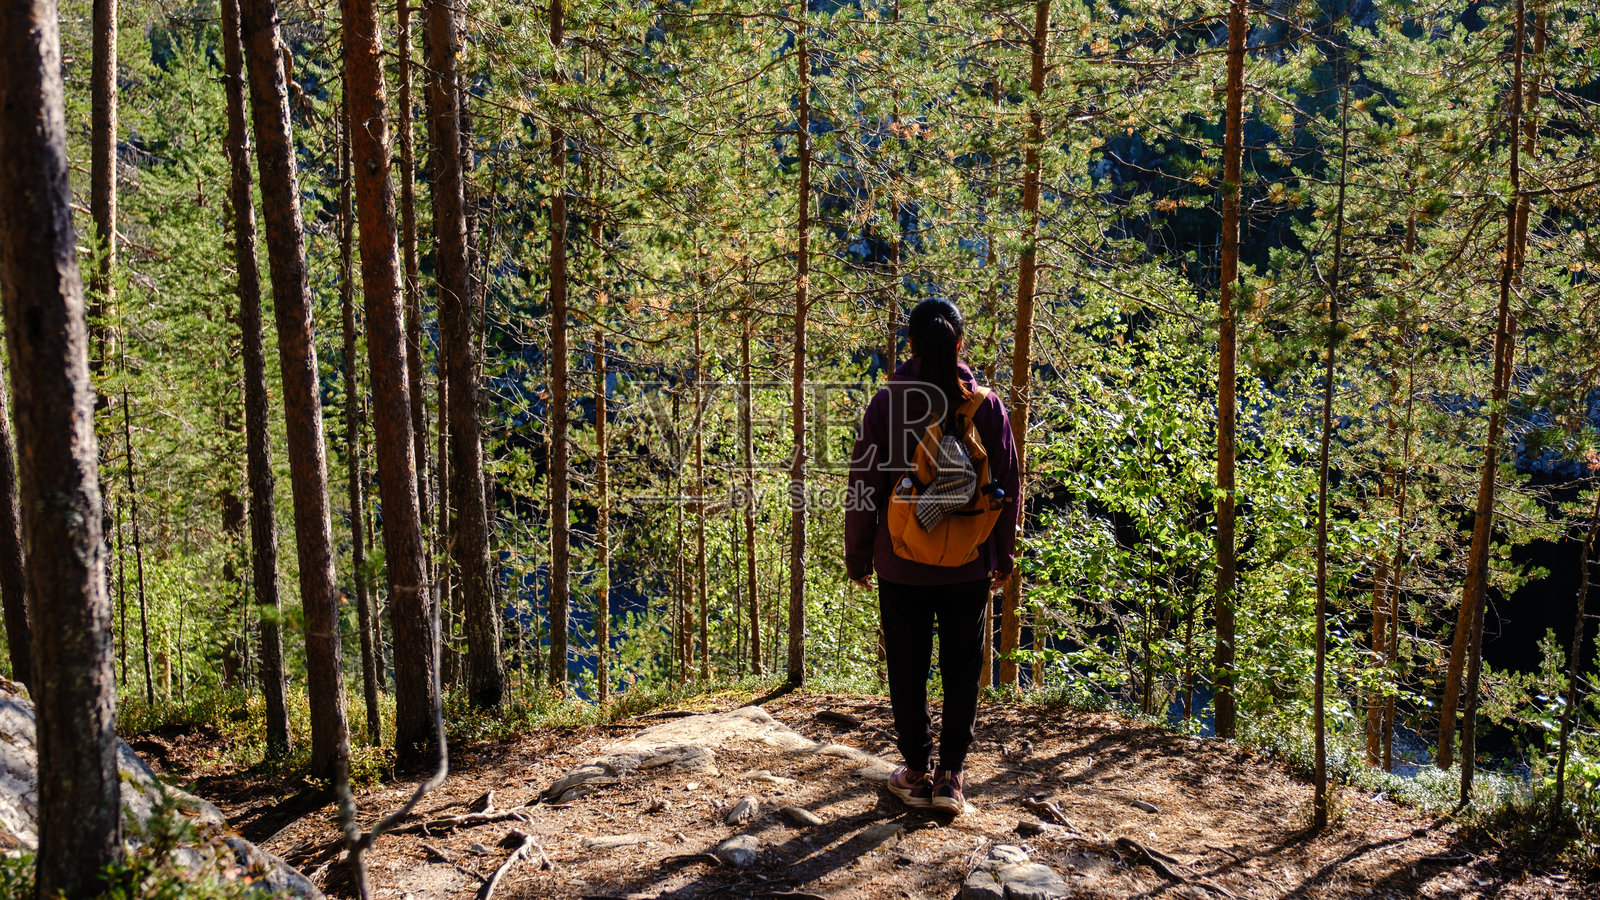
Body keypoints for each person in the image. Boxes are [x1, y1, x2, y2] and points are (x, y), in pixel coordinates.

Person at [845, 297, 1020, 815]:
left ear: (911, 346)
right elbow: (1007, 484)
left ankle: (916, 770)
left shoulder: (888, 402)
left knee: (907, 664)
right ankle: (951, 779)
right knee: (962, 666)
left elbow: (864, 485)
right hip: (967, 560)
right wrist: (1002, 556)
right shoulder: (985, 406)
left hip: (901, 561)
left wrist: (858, 558)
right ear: (960, 344)